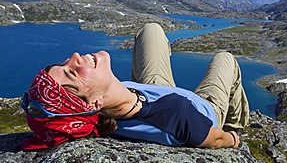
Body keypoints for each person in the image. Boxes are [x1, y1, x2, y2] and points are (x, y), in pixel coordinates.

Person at [21, 23, 249, 150]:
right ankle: (236, 123)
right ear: (94, 103)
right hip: (203, 110)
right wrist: (232, 139)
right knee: (225, 58)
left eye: (63, 64)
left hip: (147, 92)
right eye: (72, 72)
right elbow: (215, 139)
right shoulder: (176, 115)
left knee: (151, 30)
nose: (74, 56)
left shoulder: (106, 108)